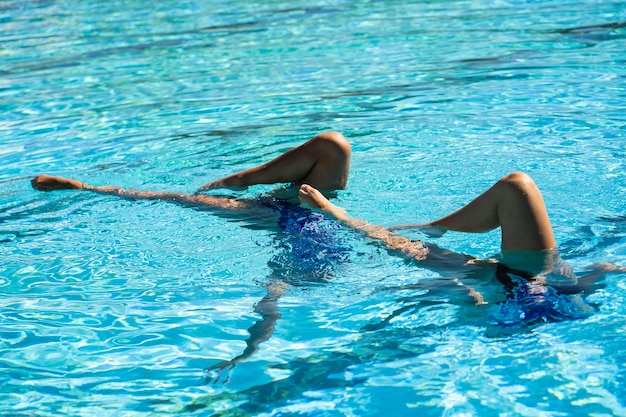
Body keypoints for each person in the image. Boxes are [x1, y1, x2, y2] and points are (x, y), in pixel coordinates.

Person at [30, 131, 622, 378]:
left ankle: (237, 177)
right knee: (335, 148)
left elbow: (270, 303)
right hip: (535, 285)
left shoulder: (482, 280)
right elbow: (403, 251)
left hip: (306, 223)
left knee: (213, 201)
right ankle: (245, 178)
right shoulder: (508, 282)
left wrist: (245, 355)